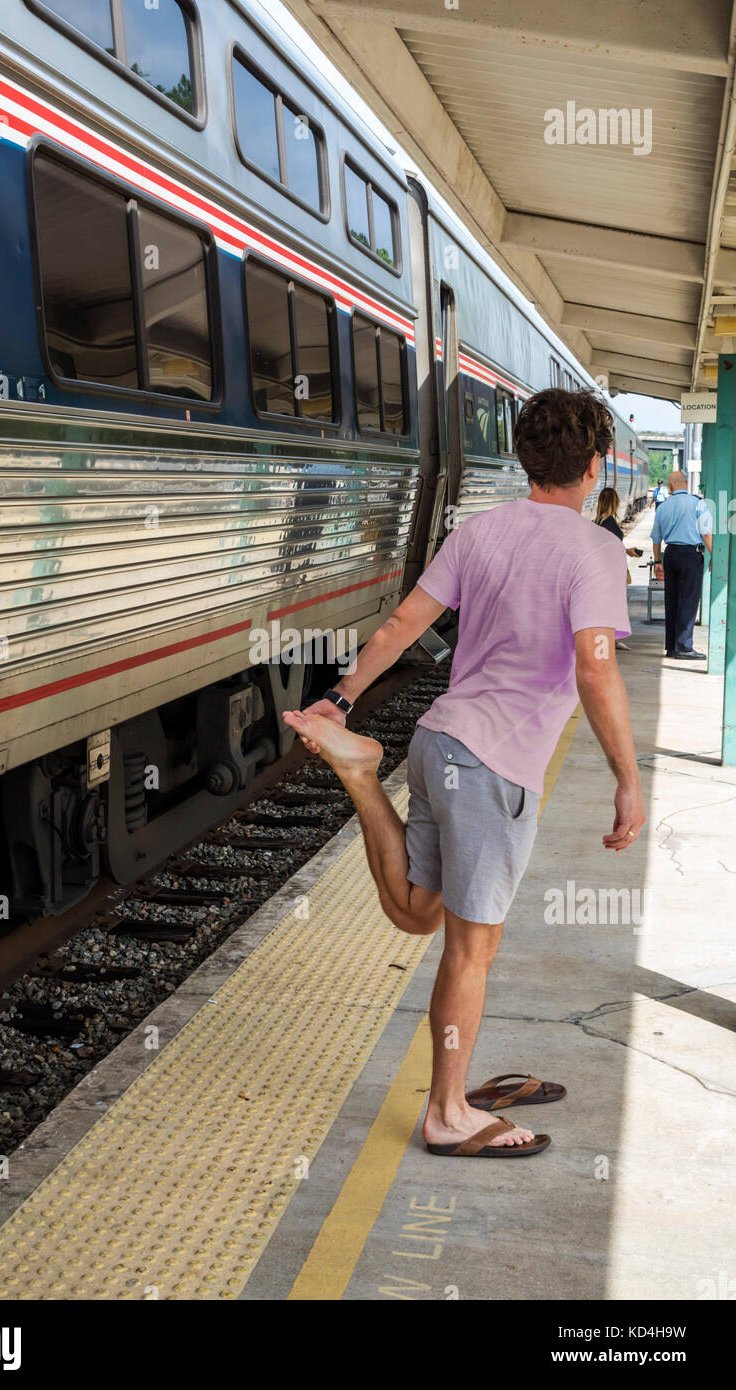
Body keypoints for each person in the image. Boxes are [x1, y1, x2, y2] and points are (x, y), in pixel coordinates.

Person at [283, 389, 645, 1160]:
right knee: (470, 949)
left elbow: (401, 624)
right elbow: (595, 664)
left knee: (419, 913)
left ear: (523, 459)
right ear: (591, 467)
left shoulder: (480, 531)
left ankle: (361, 774)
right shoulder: (595, 549)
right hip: (494, 766)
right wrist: (627, 776)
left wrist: (342, 698)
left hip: (440, 742)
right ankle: (448, 1110)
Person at [651, 471, 713, 660]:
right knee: (688, 600)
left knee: (672, 600)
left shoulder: (663, 506)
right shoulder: (697, 503)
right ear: (686, 483)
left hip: (670, 554)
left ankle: (671, 646)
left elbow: (656, 538)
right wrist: (714, 556)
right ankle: (684, 647)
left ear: (669, 486)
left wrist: (658, 561)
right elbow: (706, 533)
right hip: (690, 555)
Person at [594, 487, 642, 650]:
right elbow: (610, 548)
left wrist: (626, 550)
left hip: (603, 569)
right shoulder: (609, 523)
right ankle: (611, 640)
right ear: (613, 503)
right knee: (613, 606)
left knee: (607, 605)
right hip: (611, 571)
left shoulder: (598, 522)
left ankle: (612, 639)